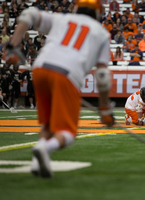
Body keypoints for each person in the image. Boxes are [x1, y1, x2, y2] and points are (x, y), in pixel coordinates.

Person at [6, 0, 115, 178]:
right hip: (67, 74)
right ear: (98, 14)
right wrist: (104, 108)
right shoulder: (101, 33)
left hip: (40, 68)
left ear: (77, 8)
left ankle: (37, 162)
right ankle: (44, 147)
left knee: (48, 124)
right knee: (68, 132)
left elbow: (29, 13)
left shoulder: (62, 18)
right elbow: (102, 76)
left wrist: (12, 46)